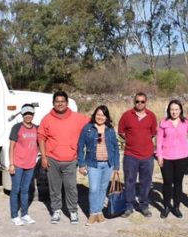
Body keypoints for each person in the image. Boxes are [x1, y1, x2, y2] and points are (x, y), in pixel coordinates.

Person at [38, 91, 89, 225]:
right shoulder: (47, 119)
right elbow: (41, 138)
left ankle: (73, 211)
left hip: (71, 160)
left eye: (62, 101)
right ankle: (56, 210)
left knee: (71, 187)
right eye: (57, 101)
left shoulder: (78, 118)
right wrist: (43, 157)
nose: (60, 104)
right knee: (54, 187)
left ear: (67, 103)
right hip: (52, 159)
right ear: (53, 103)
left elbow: (93, 124)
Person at [77, 105, 120, 226]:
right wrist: (81, 164)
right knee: (94, 188)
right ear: (94, 115)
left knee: (102, 189)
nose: (100, 117)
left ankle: (99, 212)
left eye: (103, 115)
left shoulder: (110, 129)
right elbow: (80, 147)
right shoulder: (88, 129)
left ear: (106, 117)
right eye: (98, 114)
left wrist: (116, 166)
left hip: (108, 164)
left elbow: (115, 148)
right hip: (93, 164)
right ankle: (92, 213)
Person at [118, 92, 158, 217]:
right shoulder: (126, 115)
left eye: (142, 101)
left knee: (145, 182)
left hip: (147, 156)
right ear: (134, 102)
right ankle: (129, 206)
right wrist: (131, 141)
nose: (139, 103)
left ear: (146, 102)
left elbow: (152, 133)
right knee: (129, 181)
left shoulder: (151, 116)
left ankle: (144, 205)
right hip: (130, 155)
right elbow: (121, 132)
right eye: (137, 101)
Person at [156, 99, 188, 219]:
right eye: (172, 109)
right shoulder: (163, 123)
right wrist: (159, 156)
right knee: (167, 182)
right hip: (167, 157)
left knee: (178, 183)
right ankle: (166, 206)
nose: (174, 112)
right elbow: (159, 141)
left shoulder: (185, 122)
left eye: (176, 109)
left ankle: (176, 207)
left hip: (182, 157)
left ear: (180, 110)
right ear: (169, 110)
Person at [8, 104, 39, 226]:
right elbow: (12, 146)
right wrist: (11, 164)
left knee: (26, 190)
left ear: (33, 114)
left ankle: (25, 214)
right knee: (16, 190)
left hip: (30, 165)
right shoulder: (16, 127)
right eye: (25, 114)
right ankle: (14, 215)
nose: (28, 116)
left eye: (30, 113)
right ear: (22, 115)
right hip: (18, 164)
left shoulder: (37, 128)